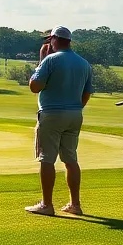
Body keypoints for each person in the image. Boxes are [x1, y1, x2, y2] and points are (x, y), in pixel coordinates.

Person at [25, 26, 93, 217]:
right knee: (71, 159)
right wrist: (74, 107)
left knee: (47, 158)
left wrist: (41, 62)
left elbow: (35, 87)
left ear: (54, 39)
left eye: (49, 40)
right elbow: (86, 93)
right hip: (75, 114)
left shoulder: (50, 60)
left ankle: (46, 204)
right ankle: (75, 204)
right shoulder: (84, 63)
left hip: (51, 113)